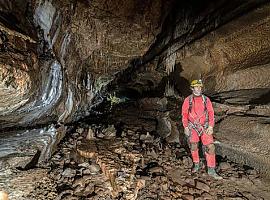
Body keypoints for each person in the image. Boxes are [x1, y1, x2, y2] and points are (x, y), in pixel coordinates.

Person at [181, 79, 222, 180]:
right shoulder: (188, 100)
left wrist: (211, 126)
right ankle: (196, 164)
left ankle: (211, 170)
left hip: (204, 126)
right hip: (192, 126)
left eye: (200, 87)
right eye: (196, 87)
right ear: (192, 88)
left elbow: (211, 112)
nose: (199, 89)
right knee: (194, 145)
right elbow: (184, 114)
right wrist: (185, 126)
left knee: (210, 147)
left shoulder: (206, 99)